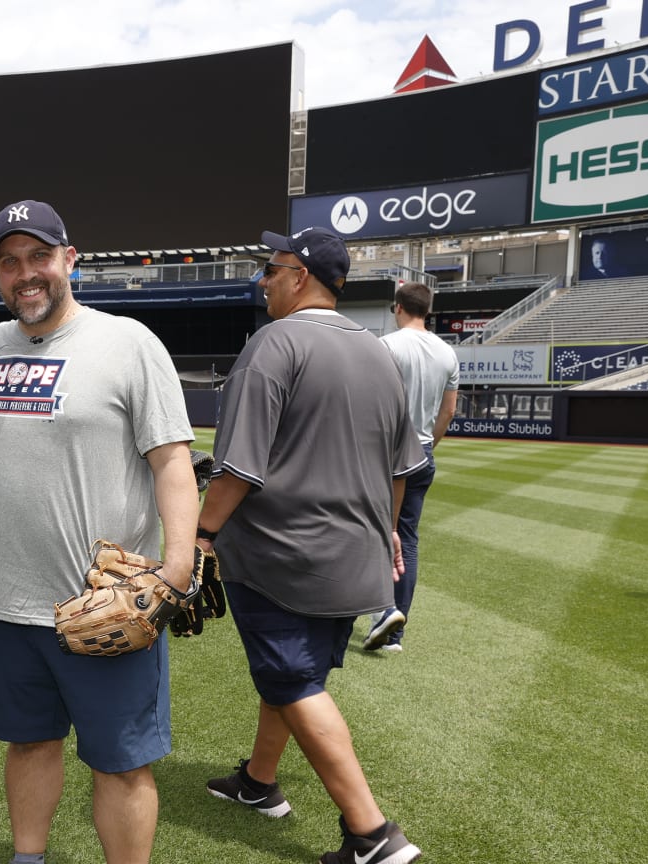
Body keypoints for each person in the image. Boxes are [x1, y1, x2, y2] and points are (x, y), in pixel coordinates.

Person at [0, 200, 198, 864]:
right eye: (10, 261)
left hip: (107, 602)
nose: (26, 273)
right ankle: (27, 859)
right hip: (13, 607)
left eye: (39, 256)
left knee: (120, 764)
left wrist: (174, 570)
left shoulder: (128, 342)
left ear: (70, 259)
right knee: (29, 743)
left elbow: (172, 460)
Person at [196, 227, 426, 864]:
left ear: (299, 276)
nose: (263, 280)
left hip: (282, 553)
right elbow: (402, 469)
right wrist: (387, 536)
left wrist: (202, 534)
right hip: (356, 553)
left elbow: (238, 468)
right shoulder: (381, 352)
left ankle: (372, 835)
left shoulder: (274, 342)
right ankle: (260, 783)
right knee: (295, 673)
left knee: (293, 680)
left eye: (272, 269)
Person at [363, 282, 459, 652]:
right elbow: (448, 411)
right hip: (421, 452)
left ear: (398, 307)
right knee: (409, 541)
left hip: (386, 453)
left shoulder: (386, 345)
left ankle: (381, 612)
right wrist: (427, 446)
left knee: (374, 533)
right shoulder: (447, 351)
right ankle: (394, 632)